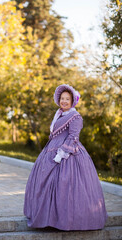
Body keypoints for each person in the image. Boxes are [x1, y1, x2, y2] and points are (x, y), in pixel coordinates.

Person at [23, 84, 108, 231]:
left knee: (66, 185)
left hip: (68, 154)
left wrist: (61, 154)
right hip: (50, 150)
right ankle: (48, 218)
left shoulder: (75, 116)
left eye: (67, 99)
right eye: (62, 98)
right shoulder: (59, 114)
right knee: (46, 183)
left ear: (72, 101)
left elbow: (73, 137)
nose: (64, 101)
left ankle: (67, 220)